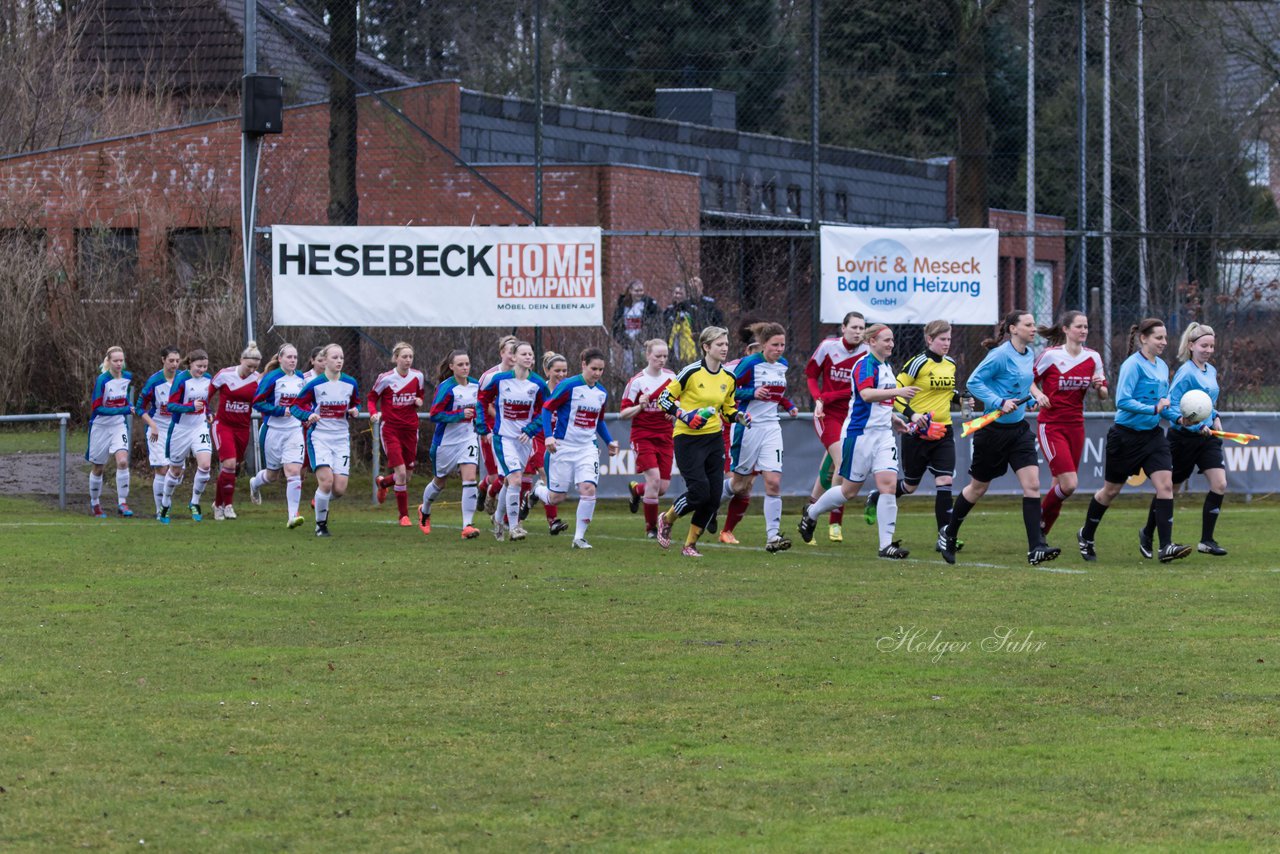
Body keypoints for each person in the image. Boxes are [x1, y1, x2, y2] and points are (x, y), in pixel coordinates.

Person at [937, 311, 1059, 566]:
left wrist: (1035, 395)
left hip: (1018, 431)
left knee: (1033, 485)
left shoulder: (1029, 356)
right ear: (1013, 329)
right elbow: (974, 382)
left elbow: (1026, 383)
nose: (1033, 329)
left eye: (1034, 324)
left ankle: (1036, 547)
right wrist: (999, 402)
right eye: (1028, 325)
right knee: (978, 488)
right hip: (992, 432)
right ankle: (948, 534)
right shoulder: (1000, 355)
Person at [798, 324, 915, 559]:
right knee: (848, 491)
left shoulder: (886, 366)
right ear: (872, 341)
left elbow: (880, 403)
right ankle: (811, 512)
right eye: (886, 340)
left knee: (888, 486)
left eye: (892, 340)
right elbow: (866, 394)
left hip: (883, 435)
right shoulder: (864, 364)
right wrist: (898, 393)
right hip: (859, 435)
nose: (891, 344)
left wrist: (894, 419)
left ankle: (886, 546)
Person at [654, 326, 750, 557]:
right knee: (699, 492)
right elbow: (663, 399)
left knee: (714, 496)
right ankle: (666, 519)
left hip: (714, 439)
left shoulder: (729, 377)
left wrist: (738, 416)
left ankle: (689, 546)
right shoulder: (691, 372)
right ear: (706, 347)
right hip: (687, 439)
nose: (724, 348)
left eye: (726, 344)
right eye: (719, 344)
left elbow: (727, 409)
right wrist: (685, 415)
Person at [1141, 321, 1227, 555]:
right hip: (1183, 440)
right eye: (1203, 346)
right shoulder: (1185, 372)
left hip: (1208, 438)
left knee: (1220, 484)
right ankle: (1147, 532)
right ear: (1191, 345)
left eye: (1211, 346)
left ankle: (1206, 541)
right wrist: (1193, 425)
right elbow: (1171, 407)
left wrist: (1215, 416)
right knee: (1170, 490)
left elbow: (1206, 403)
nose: (1208, 350)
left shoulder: (1211, 371)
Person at [530, 348, 620, 549]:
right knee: (556, 498)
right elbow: (547, 408)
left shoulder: (601, 393)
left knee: (588, 489)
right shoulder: (569, 386)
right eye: (593, 368)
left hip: (587, 448)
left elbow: (599, 421)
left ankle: (579, 537)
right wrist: (549, 436)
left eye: (601, 369)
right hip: (562, 447)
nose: (597, 373)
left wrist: (609, 441)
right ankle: (538, 491)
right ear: (583, 365)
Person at [720, 322, 798, 552]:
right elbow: (727, 389)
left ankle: (772, 537)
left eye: (783, 344)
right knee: (739, 484)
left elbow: (776, 393)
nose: (779, 349)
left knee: (773, 482)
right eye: (775, 345)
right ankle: (708, 506)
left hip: (772, 428)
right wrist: (751, 392)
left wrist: (789, 405)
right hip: (748, 426)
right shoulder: (750, 363)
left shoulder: (782, 365)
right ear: (763, 345)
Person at [882, 320, 960, 544]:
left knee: (945, 480)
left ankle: (945, 536)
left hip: (943, 430)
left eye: (949, 339)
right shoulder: (917, 363)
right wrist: (912, 414)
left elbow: (946, 392)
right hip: (917, 432)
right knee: (910, 485)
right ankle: (879, 495)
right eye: (942, 339)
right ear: (929, 339)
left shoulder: (951, 363)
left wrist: (962, 398)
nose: (947, 344)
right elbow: (894, 395)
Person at [1032, 311, 1108, 536]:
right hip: (1051, 425)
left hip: (1076, 425)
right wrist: (1038, 394)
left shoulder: (1093, 357)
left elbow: (1104, 393)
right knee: (1070, 484)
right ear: (1065, 329)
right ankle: (1037, 526)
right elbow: (1029, 381)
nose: (1084, 330)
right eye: (1079, 326)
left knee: (1060, 485)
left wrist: (1099, 387)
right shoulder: (1050, 355)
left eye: (1086, 326)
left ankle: (1040, 536)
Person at [476, 341, 549, 541]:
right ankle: (514, 527)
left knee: (510, 481)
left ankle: (498, 519)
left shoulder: (538, 384)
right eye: (524, 354)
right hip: (504, 438)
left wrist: (532, 429)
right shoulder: (500, 379)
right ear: (514, 357)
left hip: (524, 440)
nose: (528, 357)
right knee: (516, 478)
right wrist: (483, 427)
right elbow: (482, 400)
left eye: (531, 354)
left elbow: (546, 410)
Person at [804, 311, 868, 543]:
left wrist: (828, 396)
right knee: (843, 465)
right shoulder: (828, 347)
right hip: (827, 416)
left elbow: (859, 390)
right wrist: (819, 399)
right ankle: (834, 523)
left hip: (852, 417)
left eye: (862, 328)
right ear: (843, 328)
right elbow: (811, 375)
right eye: (854, 327)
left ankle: (808, 513)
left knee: (830, 469)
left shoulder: (867, 353)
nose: (858, 332)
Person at [290, 344, 361, 537]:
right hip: (319, 438)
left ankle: (320, 499)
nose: (339, 361)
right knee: (327, 481)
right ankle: (321, 526)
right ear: (325, 360)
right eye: (335, 357)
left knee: (339, 489)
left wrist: (355, 410)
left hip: (341, 439)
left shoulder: (350, 382)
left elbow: (355, 403)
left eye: (341, 358)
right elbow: (296, 407)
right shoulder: (315, 384)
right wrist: (308, 415)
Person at [420, 349, 482, 539]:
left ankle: (467, 526)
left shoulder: (475, 385)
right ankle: (425, 510)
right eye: (461, 365)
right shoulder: (447, 388)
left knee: (470, 477)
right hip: (446, 443)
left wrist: (481, 425)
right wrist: (459, 415)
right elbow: (435, 415)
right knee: (440, 482)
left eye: (467, 364)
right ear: (452, 367)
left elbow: (480, 409)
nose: (465, 368)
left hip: (469, 438)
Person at [620, 339, 677, 538]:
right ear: (647, 356)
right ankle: (651, 529)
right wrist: (640, 406)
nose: (661, 360)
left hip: (665, 436)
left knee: (661, 487)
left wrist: (674, 412)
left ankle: (637, 490)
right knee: (654, 480)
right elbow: (623, 414)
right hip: (643, 435)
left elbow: (680, 403)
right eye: (657, 356)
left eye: (665, 356)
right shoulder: (637, 381)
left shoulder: (672, 378)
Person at [249, 343, 309, 529]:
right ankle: (254, 483)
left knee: (293, 472)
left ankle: (292, 516)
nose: (292, 360)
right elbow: (257, 403)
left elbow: (303, 402)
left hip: (294, 432)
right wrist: (280, 411)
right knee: (272, 476)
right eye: (289, 357)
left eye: (295, 357)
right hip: (273, 432)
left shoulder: (300, 377)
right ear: (280, 358)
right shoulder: (272, 378)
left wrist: (305, 415)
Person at [369, 342, 426, 527]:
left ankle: (383, 483)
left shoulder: (418, 376)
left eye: (410, 357)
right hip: (391, 429)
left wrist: (419, 401)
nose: (408, 360)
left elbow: (421, 394)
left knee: (407, 476)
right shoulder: (385, 378)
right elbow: (371, 398)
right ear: (396, 358)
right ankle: (404, 516)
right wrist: (373, 413)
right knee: (400, 473)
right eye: (404, 356)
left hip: (410, 429)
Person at [207, 342, 262, 521]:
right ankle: (224, 505)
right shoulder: (225, 374)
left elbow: (263, 400)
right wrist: (207, 411)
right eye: (249, 366)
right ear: (241, 360)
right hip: (223, 425)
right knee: (229, 463)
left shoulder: (258, 380)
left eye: (255, 367)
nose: (251, 370)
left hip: (242, 428)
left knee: (234, 467)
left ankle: (219, 504)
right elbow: (206, 395)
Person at [160, 349, 214, 523]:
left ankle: (195, 502)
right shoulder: (181, 379)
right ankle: (166, 503)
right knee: (175, 471)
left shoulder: (208, 379)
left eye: (205, 366)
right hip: (180, 429)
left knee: (205, 465)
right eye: (199, 366)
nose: (202, 370)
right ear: (190, 363)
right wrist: (191, 407)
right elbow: (171, 406)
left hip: (199, 427)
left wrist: (209, 412)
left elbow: (205, 401)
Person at [523, 352, 570, 535]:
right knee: (544, 474)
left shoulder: (569, 389)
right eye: (557, 370)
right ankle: (553, 522)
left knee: (553, 481)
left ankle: (533, 495)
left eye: (564, 371)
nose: (561, 374)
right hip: (539, 437)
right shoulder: (539, 389)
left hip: (559, 441)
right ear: (547, 371)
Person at [85, 345, 133, 517]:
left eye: (121, 360)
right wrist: (123, 410)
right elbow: (97, 408)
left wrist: (129, 407)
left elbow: (124, 400)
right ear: (109, 361)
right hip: (100, 427)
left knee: (122, 462)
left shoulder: (127, 377)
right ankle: (95, 503)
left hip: (118, 425)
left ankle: (123, 503)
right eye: (116, 361)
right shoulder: (102, 380)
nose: (119, 363)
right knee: (98, 467)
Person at [136, 346, 181, 518]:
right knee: (162, 470)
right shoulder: (154, 381)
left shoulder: (183, 380)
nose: (174, 364)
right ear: (163, 360)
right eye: (171, 360)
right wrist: (152, 425)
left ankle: (165, 501)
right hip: (158, 430)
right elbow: (140, 408)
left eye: (177, 361)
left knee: (176, 473)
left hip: (178, 430)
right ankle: (161, 510)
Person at [478, 335, 519, 515]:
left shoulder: (522, 376)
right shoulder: (489, 376)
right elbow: (482, 404)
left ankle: (499, 507)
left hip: (511, 433)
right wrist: (485, 429)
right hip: (491, 430)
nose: (514, 356)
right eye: (511, 352)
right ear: (502, 353)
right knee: (497, 476)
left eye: (516, 352)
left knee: (509, 476)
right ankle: (485, 487)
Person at [611, 278, 660, 375]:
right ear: (630, 291)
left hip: (643, 342)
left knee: (644, 366)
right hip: (628, 342)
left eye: (641, 290)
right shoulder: (623, 305)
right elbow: (616, 326)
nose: (639, 293)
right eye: (636, 291)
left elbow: (655, 322)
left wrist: (645, 337)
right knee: (629, 369)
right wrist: (624, 340)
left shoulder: (648, 304)